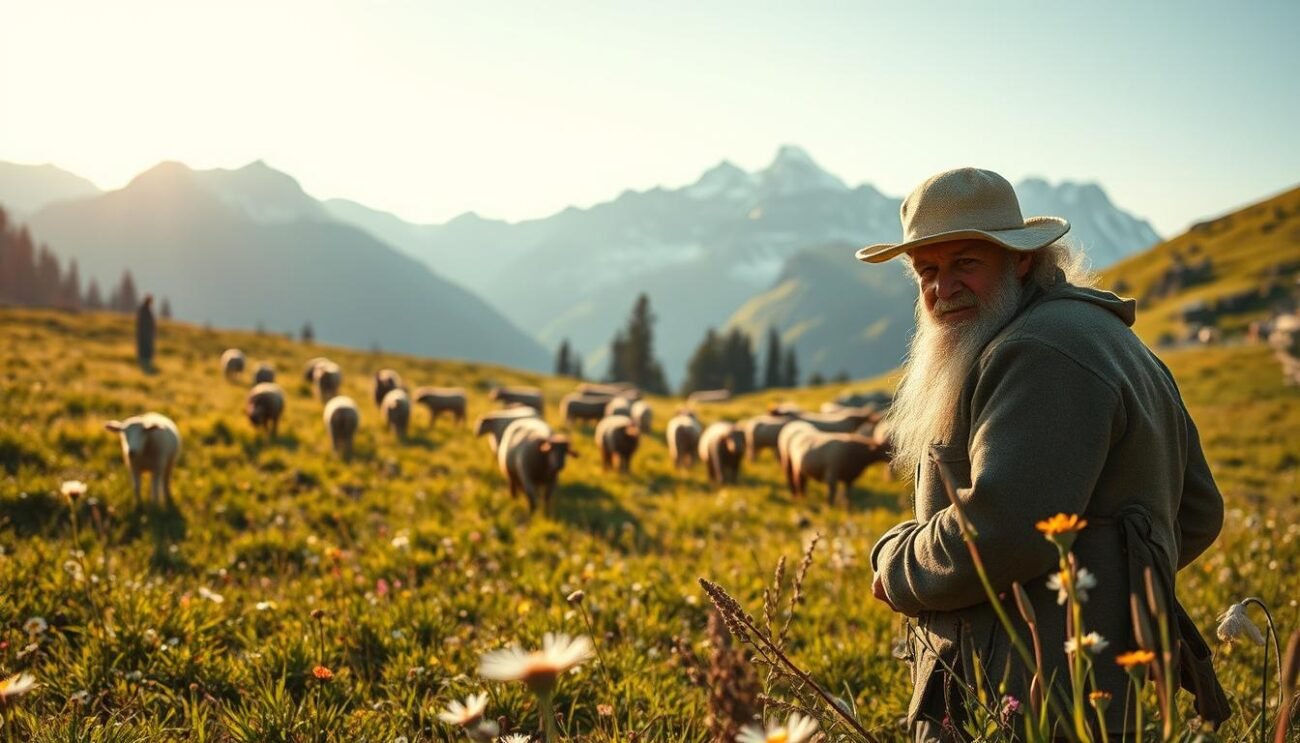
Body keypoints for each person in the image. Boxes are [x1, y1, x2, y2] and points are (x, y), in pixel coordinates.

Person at [861, 168, 1226, 740]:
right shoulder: (1095, 332)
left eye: (966, 264)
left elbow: (1003, 530)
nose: (942, 288)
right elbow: (1197, 511)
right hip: (1085, 682)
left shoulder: (1038, 352)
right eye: (926, 271)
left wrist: (895, 561)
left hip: (1026, 690)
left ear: (1020, 259)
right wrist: (1113, 591)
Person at [136, 294, 156, 372]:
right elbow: (142, 324)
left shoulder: (146, 310)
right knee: (144, 351)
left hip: (147, 335)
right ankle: (145, 365)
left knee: (147, 351)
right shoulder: (144, 311)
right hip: (144, 336)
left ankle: (147, 364)